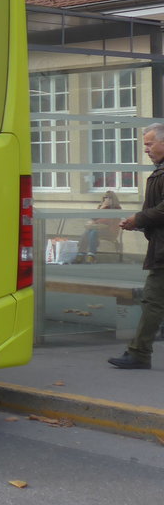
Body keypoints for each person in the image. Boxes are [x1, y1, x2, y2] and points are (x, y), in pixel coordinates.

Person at [109, 123, 164, 369]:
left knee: (153, 301)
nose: (146, 149)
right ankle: (138, 352)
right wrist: (138, 223)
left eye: (149, 144)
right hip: (160, 247)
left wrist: (138, 220)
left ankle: (139, 353)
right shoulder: (159, 172)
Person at [78, 190, 121, 262]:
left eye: (110, 198)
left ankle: (91, 255)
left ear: (113, 199)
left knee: (93, 232)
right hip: (99, 229)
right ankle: (81, 253)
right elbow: (93, 218)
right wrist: (102, 208)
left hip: (110, 231)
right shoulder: (101, 207)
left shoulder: (116, 208)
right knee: (88, 232)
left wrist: (95, 222)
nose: (107, 199)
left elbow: (109, 221)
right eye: (105, 197)